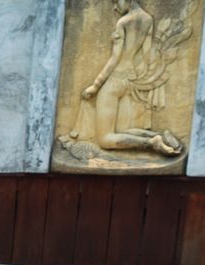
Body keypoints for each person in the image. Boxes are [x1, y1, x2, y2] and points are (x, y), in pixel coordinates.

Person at [76, 0, 183, 157]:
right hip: (129, 79)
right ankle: (159, 135)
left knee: (105, 139)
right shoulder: (148, 19)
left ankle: (151, 143)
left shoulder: (123, 22)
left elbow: (115, 58)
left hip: (115, 80)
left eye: (116, 1)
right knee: (120, 131)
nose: (115, 6)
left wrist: (96, 85)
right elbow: (146, 55)